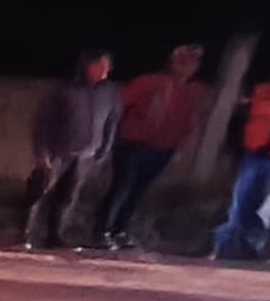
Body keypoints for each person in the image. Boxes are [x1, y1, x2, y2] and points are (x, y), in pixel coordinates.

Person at [94, 43, 205, 248]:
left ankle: (119, 230)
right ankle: (101, 231)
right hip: (133, 144)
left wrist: (182, 145)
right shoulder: (148, 82)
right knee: (121, 188)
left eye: (192, 62)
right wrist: (114, 136)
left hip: (164, 148)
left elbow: (190, 120)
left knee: (137, 190)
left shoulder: (194, 91)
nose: (186, 67)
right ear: (172, 62)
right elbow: (119, 107)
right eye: (182, 61)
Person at [21, 48, 118, 250]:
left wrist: (105, 146)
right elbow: (42, 123)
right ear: (87, 66)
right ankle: (24, 234)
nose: (104, 71)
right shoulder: (64, 90)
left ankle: (55, 235)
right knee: (39, 191)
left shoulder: (108, 92)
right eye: (99, 66)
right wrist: (42, 153)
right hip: (58, 152)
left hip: (85, 154)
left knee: (68, 196)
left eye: (106, 67)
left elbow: (112, 120)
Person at [212, 56, 270, 259]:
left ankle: (253, 250)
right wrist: (233, 149)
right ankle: (226, 249)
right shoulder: (263, 90)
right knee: (240, 202)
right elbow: (240, 119)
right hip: (254, 155)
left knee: (266, 206)